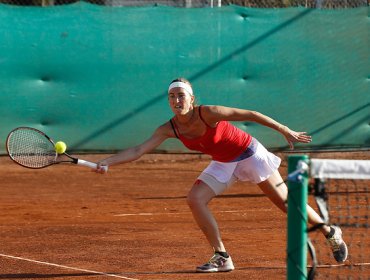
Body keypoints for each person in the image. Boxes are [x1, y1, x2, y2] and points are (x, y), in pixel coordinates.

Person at [96, 78, 348, 273]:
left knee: (288, 205)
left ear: (191, 98)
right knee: (195, 198)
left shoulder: (209, 113)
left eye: (181, 95)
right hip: (224, 162)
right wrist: (107, 161)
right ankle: (222, 256)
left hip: (250, 154)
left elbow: (249, 114)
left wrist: (284, 130)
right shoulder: (168, 128)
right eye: (171, 97)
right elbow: (139, 150)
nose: (176, 100)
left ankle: (330, 232)